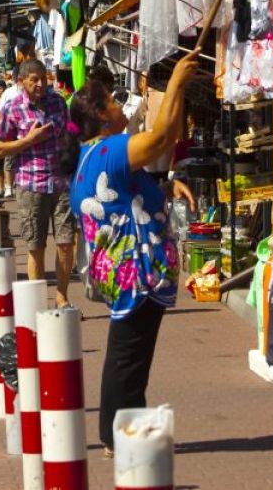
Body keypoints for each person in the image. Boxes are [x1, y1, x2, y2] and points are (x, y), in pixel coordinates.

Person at [64, 49, 200, 456]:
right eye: (112, 101)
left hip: (126, 270)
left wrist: (163, 189)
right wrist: (174, 82)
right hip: (134, 269)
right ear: (101, 116)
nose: (119, 106)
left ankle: (118, 432)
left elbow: (161, 145)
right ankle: (122, 439)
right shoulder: (108, 151)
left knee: (128, 355)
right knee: (130, 358)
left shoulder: (93, 157)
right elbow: (160, 138)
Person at [0, 59, 76, 306]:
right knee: (36, 245)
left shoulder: (58, 102)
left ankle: (62, 298)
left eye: (44, 78)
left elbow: (69, 133)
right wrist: (29, 140)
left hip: (61, 183)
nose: (41, 84)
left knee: (65, 242)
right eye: (34, 80)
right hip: (31, 185)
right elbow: (0, 148)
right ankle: (38, 303)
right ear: (21, 82)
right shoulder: (12, 108)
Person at [0, 70, 22, 198]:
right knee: (9, 160)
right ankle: (8, 187)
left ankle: (16, 185)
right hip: (11, 133)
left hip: (25, 132)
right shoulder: (9, 92)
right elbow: (0, 111)